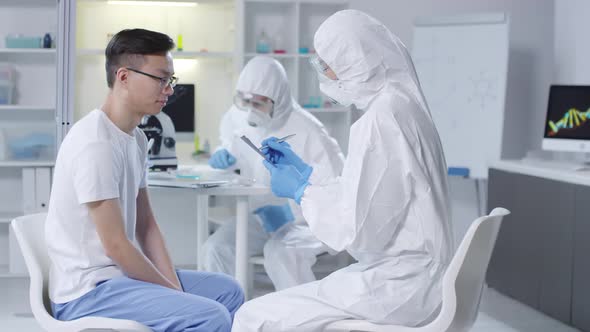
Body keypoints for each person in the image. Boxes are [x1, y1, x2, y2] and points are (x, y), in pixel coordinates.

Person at [232, 10, 454, 332]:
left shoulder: (382, 119)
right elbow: (370, 197)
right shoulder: (403, 106)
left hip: (399, 285)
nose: (325, 75)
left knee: (253, 317)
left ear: (355, 61)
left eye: (327, 65)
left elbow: (359, 234)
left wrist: (302, 191)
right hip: (414, 277)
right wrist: (307, 175)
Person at [45, 28, 243, 332]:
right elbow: (116, 246)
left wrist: (173, 287)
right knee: (210, 315)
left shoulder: (135, 138)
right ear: (123, 77)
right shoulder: (95, 142)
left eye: (170, 80)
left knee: (229, 291)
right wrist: (172, 293)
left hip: (120, 278)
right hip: (88, 292)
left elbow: (146, 225)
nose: (169, 90)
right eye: (161, 79)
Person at [202, 56, 344, 291]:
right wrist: (223, 154)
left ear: (277, 100)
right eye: (245, 101)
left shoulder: (309, 131)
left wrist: (292, 211)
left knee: (281, 254)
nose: (250, 111)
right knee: (216, 248)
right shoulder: (239, 116)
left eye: (258, 104)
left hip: (308, 221)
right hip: (261, 217)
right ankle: (229, 315)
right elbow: (231, 144)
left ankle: (299, 321)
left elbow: (335, 190)